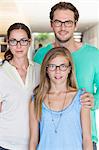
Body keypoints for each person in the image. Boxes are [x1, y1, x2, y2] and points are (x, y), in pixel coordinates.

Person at [33, 2, 99, 149]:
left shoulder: (94, 55)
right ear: (51, 24)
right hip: (48, 138)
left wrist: (95, 101)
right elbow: (34, 91)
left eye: (68, 22)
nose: (63, 27)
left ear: (75, 25)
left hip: (85, 138)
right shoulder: (40, 56)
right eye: (58, 22)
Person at [29, 47, 93, 150]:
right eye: (52, 66)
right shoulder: (36, 100)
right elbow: (33, 140)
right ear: (46, 70)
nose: (57, 71)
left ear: (69, 69)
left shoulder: (81, 98)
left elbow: (87, 139)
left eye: (63, 66)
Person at [0, 23, 40, 150]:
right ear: (8, 43)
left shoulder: (40, 70)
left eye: (23, 40)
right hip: (5, 143)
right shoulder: (1, 72)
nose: (18, 46)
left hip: (35, 143)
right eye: (13, 41)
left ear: (29, 41)